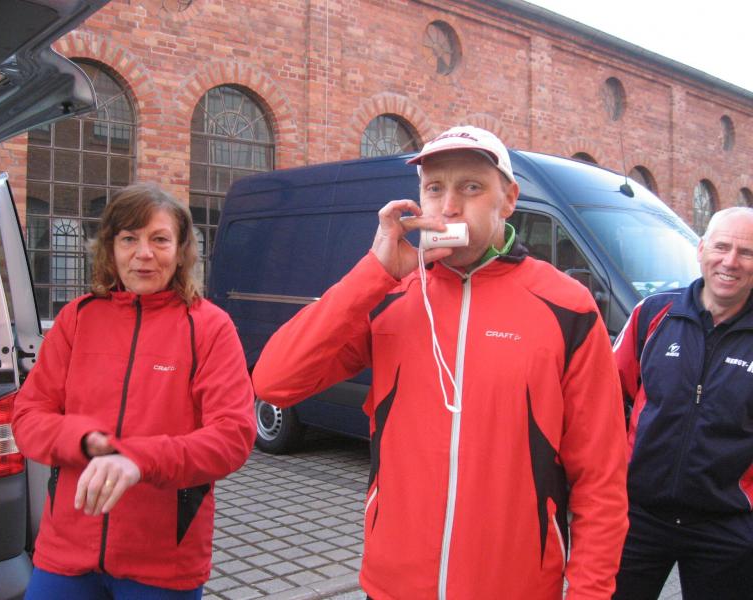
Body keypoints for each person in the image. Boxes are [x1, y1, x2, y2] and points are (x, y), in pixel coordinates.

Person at [252, 125, 628, 599]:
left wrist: (590, 592)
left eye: (471, 187)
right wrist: (374, 272)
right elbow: (275, 380)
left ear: (508, 199)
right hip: (395, 585)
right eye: (434, 188)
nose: (449, 206)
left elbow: (602, 477)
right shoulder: (389, 295)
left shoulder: (566, 306)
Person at [12, 183, 256, 599]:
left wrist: (138, 460)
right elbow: (27, 417)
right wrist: (83, 440)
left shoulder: (209, 327)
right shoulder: (76, 319)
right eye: (129, 239)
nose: (144, 253)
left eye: (159, 239)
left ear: (181, 251)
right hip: (66, 548)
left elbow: (232, 436)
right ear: (110, 248)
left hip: (162, 559)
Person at [613, 206, 753, 600]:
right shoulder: (654, 314)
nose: (730, 261)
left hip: (727, 527)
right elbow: (604, 400)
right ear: (701, 248)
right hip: (638, 516)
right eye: (722, 247)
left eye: (746, 252)